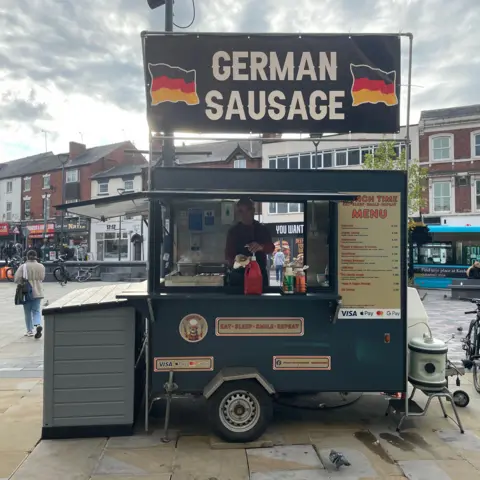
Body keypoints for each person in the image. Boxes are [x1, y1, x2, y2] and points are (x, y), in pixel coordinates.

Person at [225, 198, 275, 288]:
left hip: (259, 275)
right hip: (239, 277)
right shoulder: (233, 232)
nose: (244, 214)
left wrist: (261, 247)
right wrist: (238, 261)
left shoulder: (262, 229)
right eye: (241, 211)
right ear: (238, 213)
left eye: (247, 210)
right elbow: (228, 255)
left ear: (253, 211)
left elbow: (271, 248)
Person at [14, 250, 45, 338]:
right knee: (36, 310)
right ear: (36, 257)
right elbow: (42, 277)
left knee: (27, 312)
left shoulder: (23, 267)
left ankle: (29, 331)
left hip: (26, 292)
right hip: (38, 291)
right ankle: (38, 324)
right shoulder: (41, 266)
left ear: (27, 257)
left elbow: (16, 279)